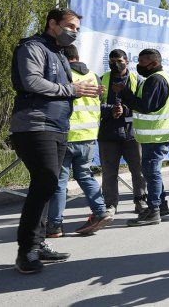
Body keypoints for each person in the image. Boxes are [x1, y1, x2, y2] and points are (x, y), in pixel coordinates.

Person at [9, 8, 101, 273]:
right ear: (53, 24)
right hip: (35, 125)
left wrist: (84, 91)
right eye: (70, 26)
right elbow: (32, 82)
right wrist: (72, 89)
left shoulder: (59, 54)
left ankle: (38, 245)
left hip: (59, 127)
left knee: (48, 186)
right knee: (46, 181)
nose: (74, 32)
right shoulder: (32, 47)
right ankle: (26, 251)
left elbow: (64, 91)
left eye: (77, 29)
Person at [46, 45, 114, 238]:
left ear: (63, 58)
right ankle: (101, 212)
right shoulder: (93, 75)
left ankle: (54, 226)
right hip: (89, 135)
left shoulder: (63, 74)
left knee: (60, 180)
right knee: (85, 175)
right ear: (77, 56)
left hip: (66, 135)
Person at [114, 48, 169, 226]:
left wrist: (124, 92)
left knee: (151, 172)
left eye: (142, 63)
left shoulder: (156, 79)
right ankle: (160, 206)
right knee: (151, 171)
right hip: (153, 136)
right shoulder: (154, 78)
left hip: (156, 137)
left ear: (154, 63)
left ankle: (154, 210)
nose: (139, 66)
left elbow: (145, 106)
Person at [98, 49, 147, 215]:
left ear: (126, 60)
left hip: (132, 133)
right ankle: (110, 205)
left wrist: (125, 109)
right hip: (108, 133)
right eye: (112, 62)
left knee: (138, 169)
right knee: (109, 172)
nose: (115, 64)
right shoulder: (102, 79)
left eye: (119, 60)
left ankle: (140, 200)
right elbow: (93, 105)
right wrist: (111, 109)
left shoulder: (137, 79)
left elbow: (143, 105)